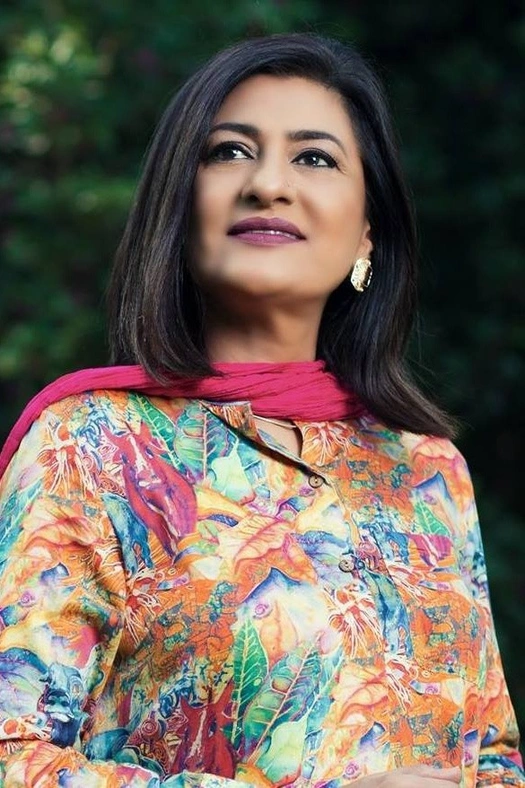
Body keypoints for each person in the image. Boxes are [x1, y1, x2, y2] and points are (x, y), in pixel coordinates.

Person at [0, 33, 522, 788]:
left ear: (368, 231)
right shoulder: (94, 446)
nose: (268, 183)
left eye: (314, 157)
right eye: (230, 152)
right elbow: (11, 755)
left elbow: (494, 757)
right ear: (181, 210)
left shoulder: (428, 470)